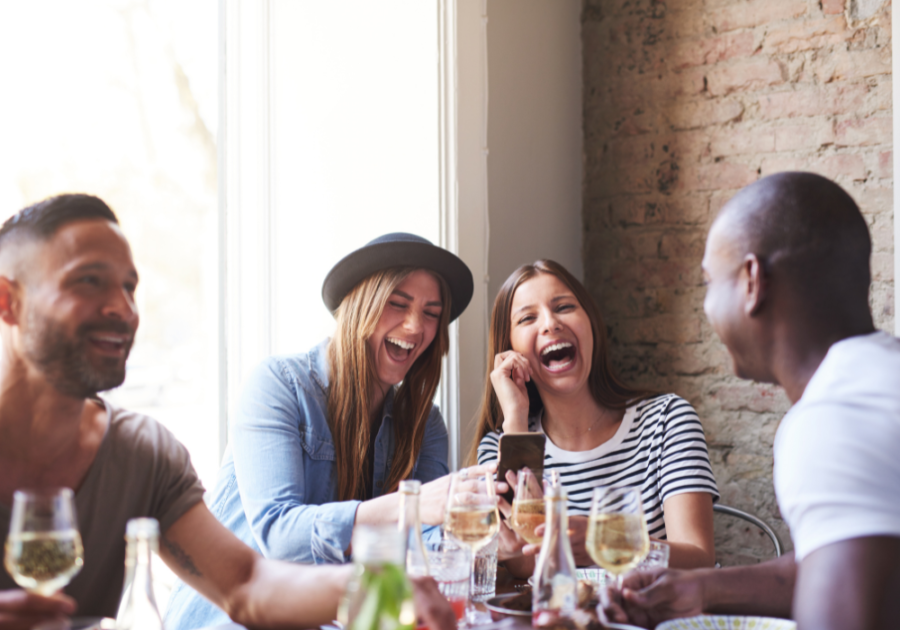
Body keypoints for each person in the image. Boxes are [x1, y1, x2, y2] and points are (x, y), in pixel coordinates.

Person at [0, 195, 456, 630]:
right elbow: (276, 538)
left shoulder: (144, 453)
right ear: (8, 301)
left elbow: (246, 583)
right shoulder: (282, 384)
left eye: (129, 287)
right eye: (88, 281)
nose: (123, 308)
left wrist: (380, 584)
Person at [603, 172, 900, 630]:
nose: (705, 308)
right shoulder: (878, 378)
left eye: (708, 282)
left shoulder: (834, 420)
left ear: (751, 281)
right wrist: (695, 590)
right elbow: (840, 560)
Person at [166, 232, 483, 629]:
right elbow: (278, 536)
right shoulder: (278, 384)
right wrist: (411, 505)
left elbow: (425, 547)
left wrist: (482, 542)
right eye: (397, 304)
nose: (416, 325)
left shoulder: (424, 422)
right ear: (358, 307)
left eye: (432, 313)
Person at [469, 260, 718, 575]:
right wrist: (516, 420)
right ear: (511, 350)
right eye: (528, 318)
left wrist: (598, 542)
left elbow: (699, 557)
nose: (550, 323)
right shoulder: (502, 445)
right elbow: (523, 562)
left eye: (564, 307)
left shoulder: (667, 420)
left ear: (591, 324)